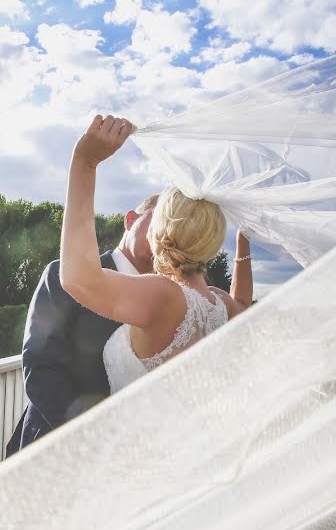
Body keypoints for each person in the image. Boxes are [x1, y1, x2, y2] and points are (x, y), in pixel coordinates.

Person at [61, 115, 253, 394]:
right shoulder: (219, 303)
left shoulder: (164, 295)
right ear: (212, 242)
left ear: (158, 231)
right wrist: (243, 239)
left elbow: (80, 280)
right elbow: (244, 303)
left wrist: (84, 163)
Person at [5, 191, 160, 456]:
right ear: (131, 219)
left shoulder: (166, 301)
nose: (163, 236)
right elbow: (40, 369)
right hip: (56, 450)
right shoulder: (64, 275)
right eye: (158, 223)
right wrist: (98, 443)